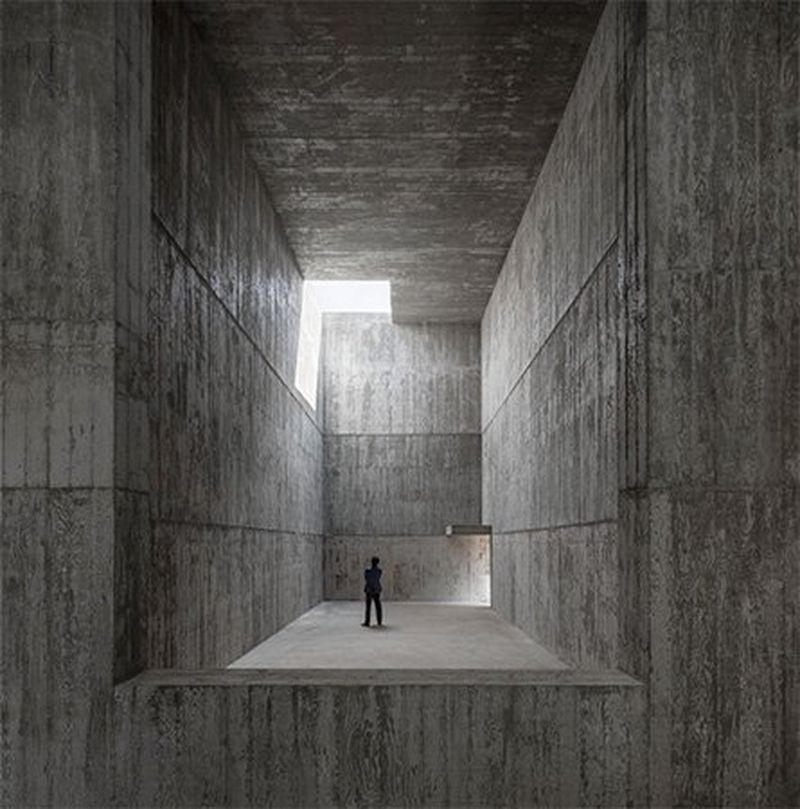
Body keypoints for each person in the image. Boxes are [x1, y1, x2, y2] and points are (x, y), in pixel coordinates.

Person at [362, 556, 382, 627]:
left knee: (368, 607)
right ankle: (379, 621)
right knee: (378, 606)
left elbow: (366, 578)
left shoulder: (368, 571)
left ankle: (367, 622)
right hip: (376, 589)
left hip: (369, 589)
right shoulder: (379, 571)